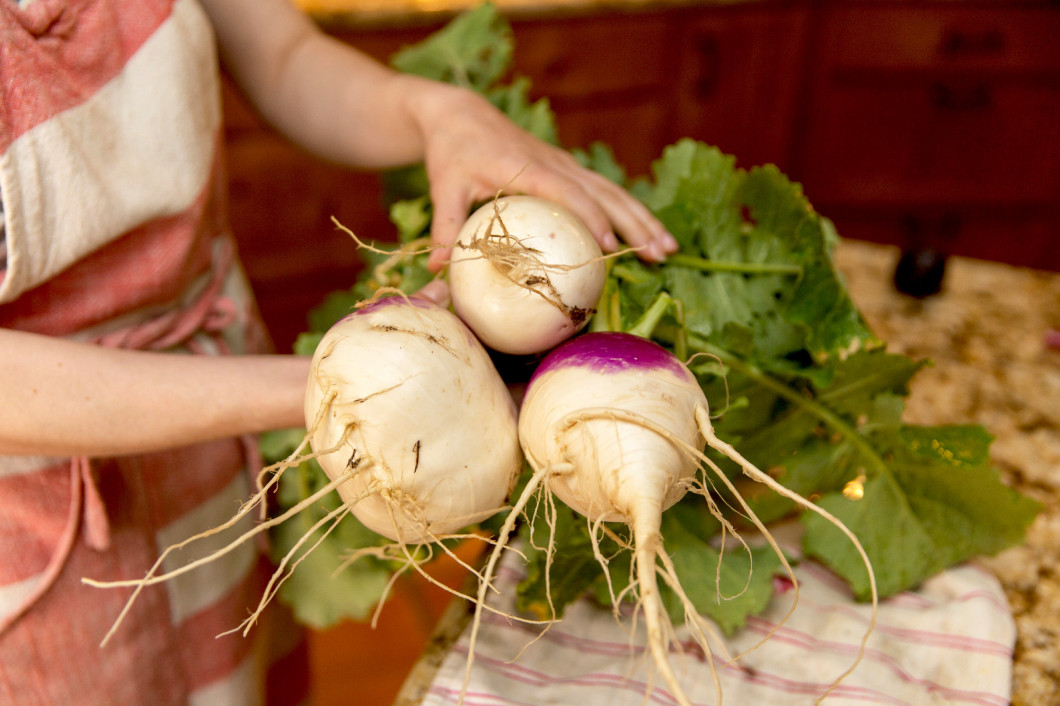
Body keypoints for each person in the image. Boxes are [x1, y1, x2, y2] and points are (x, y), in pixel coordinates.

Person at [0, 0, 676, 703]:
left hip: (219, 443)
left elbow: (284, 55)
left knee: (241, 670)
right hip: (40, 530)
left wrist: (432, 112)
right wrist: (341, 392)